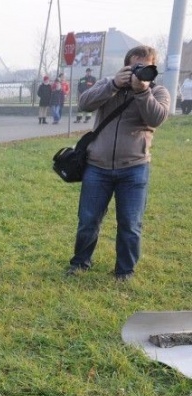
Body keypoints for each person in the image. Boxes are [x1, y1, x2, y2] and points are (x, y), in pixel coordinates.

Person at [66, 45, 170, 282]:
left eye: (145, 67)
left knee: (130, 223)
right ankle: (80, 262)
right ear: (125, 67)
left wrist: (142, 92)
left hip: (134, 168)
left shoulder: (158, 92)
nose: (139, 72)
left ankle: (124, 271)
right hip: (97, 167)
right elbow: (84, 103)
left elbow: (156, 118)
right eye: (135, 67)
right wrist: (113, 85)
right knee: (88, 220)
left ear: (153, 69)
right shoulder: (108, 84)